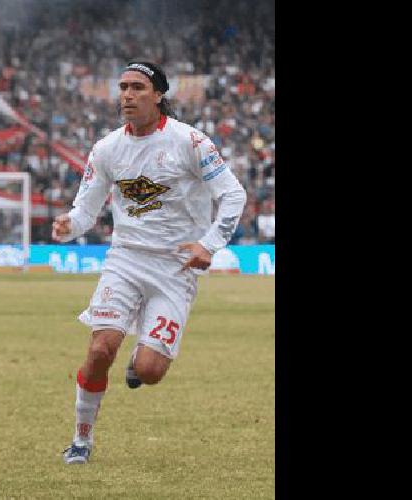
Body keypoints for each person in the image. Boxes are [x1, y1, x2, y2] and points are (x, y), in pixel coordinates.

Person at [51, 62, 247, 464]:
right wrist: (69, 225)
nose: (127, 95)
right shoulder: (106, 148)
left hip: (176, 269)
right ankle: (80, 441)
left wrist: (209, 244)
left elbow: (234, 195)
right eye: (122, 87)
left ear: (158, 95)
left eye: (137, 87)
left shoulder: (190, 142)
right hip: (125, 260)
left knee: (151, 370)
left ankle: (139, 363)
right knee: (101, 346)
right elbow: (85, 211)